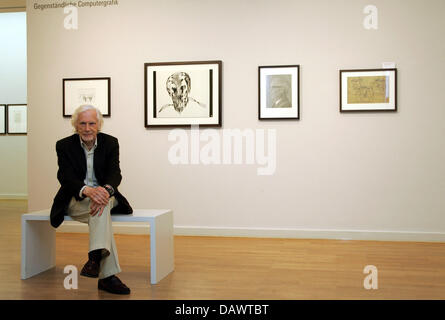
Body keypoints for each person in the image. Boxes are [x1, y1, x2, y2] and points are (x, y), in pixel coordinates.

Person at [50, 104, 133, 295]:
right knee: (101, 210)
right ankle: (107, 276)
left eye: (91, 123)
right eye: (82, 124)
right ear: (76, 125)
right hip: (76, 199)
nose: (87, 128)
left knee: (101, 205)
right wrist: (87, 190)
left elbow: (115, 174)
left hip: (105, 196)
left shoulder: (111, 143)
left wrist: (104, 190)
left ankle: (95, 260)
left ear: (99, 125)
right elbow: (65, 177)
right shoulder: (63, 145)